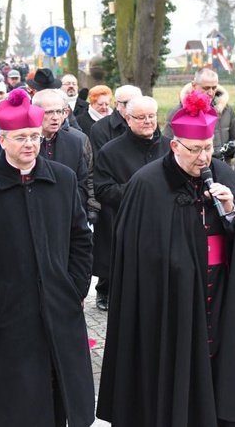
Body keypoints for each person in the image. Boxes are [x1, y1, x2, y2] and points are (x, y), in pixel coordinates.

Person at [96, 92, 235, 426]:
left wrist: (232, 211)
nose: (204, 157)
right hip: (169, 301)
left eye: (209, 147)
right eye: (195, 149)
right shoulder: (145, 184)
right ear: (175, 146)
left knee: (219, 370)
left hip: (219, 297)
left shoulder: (224, 174)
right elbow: (134, 252)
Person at [0, 89, 95, 426]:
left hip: (60, 306)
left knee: (63, 395)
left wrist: (74, 288)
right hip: (6, 313)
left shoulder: (62, 178)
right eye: (21, 138)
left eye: (34, 136)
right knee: (15, 400)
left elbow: (81, 240)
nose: (29, 143)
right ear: (2, 140)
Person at [93, 96, 170, 311]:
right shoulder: (110, 151)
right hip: (129, 227)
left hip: (166, 226)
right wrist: (138, 190)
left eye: (152, 116)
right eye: (141, 117)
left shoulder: (170, 146)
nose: (148, 121)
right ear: (128, 119)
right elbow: (103, 190)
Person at [89, 84, 142, 310]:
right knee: (111, 246)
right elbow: (104, 161)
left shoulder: (144, 124)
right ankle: (105, 289)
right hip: (115, 194)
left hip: (140, 195)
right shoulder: (102, 129)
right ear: (118, 105)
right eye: (127, 104)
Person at [164, 68, 235, 165]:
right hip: (189, 171)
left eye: (214, 88)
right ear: (194, 85)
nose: (210, 92)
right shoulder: (178, 112)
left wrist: (232, 148)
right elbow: (166, 146)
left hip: (221, 169)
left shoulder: (226, 110)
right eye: (206, 88)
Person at [32, 88, 89, 209]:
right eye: (49, 112)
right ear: (35, 112)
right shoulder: (26, 143)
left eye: (59, 111)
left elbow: (82, 185)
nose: (56, 117)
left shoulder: (74, 142)